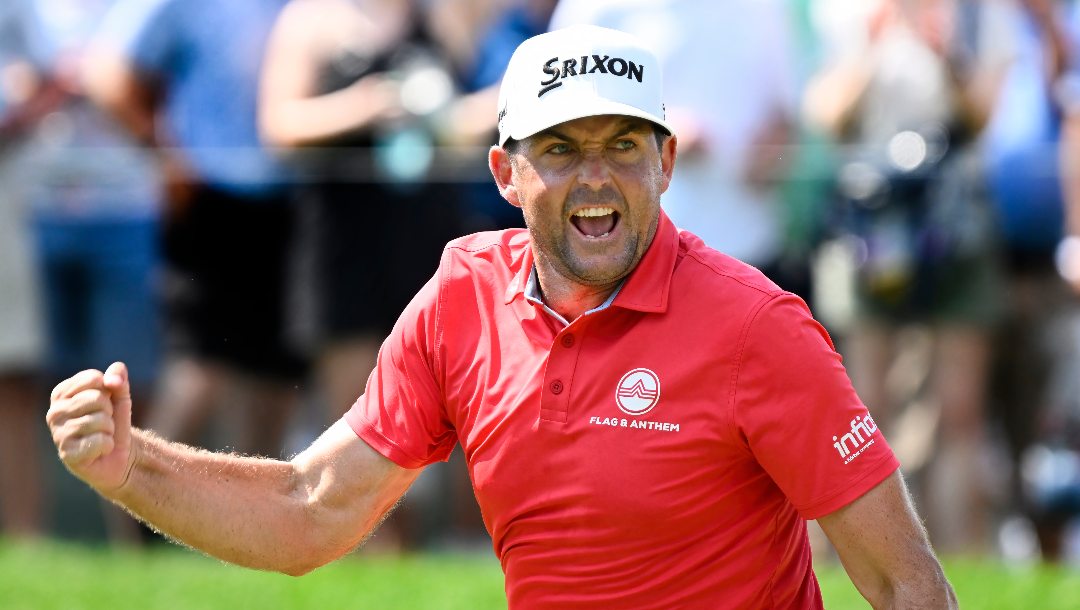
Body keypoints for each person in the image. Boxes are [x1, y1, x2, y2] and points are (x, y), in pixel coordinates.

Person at [46, 26, 956, 608]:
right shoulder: (461, 298)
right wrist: (132, 468)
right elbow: (308, 511)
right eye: (560, 149)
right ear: (504, 174)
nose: (595, 176)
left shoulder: (760, 328)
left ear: (666, 164)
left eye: (622, 147)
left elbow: (904, 584)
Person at [81, 0, 305, 458]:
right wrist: (162, 150)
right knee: (201, 368)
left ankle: (255, 522)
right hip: (207, 200)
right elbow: (106, 73)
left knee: (275, 378)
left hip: (291, 202)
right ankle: (137, 512)